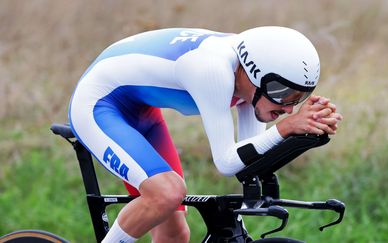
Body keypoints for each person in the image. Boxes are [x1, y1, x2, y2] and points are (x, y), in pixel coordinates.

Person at [68, 26, 343, 243]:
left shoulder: (249, 81)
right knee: (167, 193)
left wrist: (306, 130)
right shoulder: (213, 70)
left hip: (143, 112)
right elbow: (226, 162)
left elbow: (249, 160)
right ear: (253, 74)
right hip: (98, 104)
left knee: (175, 235)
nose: (288, 107)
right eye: (283, 94)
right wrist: (286, 128)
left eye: (299, 97)